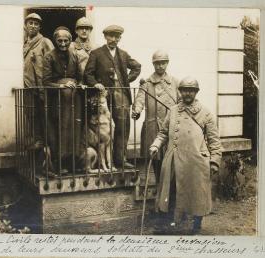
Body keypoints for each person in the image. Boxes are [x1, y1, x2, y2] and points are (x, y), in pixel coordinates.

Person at [149, 76, 222, 234]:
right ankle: (168, 224)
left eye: (191, 90)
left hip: (195, 161)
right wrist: (155, 144)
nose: (187, 94)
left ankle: (195, 225)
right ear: (180, 92)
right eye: (184, 90)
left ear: (196, 92)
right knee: (170, 192)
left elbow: (215, 140)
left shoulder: (205, 113)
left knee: (196, 194)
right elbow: (163, 133)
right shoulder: (173, 110)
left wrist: (215, 161)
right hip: (174, 159)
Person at [84, 25, 141, 169]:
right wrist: (95, 84)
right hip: (103, 95)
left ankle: (120, 159)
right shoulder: (96, 53)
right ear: (105, 37)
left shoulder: (123, 54)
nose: (114, 39)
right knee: (103, 129)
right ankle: (100, 162)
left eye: (117, 36)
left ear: (120, 38)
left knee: (122, 126)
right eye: (111, 36)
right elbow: (87, 74)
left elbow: (137, 67)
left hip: (121, 93)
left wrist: (126, 81)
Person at [132, 50, 179, 184]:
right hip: (153, 128)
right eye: (157, 63)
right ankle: (160, 192)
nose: (160, 66)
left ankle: (169, 195)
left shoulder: (175, 82)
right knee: (157, 162)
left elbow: (181, 103)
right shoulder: (147, 83)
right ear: (153, 64)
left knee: (172, 161)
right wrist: (136, 110)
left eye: (163, 63)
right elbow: (140, 99)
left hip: (171, 128)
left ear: (167, 63)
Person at [42, 26, 83, 173]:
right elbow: (45, 82)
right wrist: (62, 85)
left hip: (74, 99)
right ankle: (60, 165)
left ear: (70, 40)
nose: (63, 44)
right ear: (55, 41)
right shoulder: (49, 56)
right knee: (60, 130)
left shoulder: (75, 56)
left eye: (66, 40)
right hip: (57, 100)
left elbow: (80, 77)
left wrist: (77, 85)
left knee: (75, 130)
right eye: (60, 41)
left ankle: (74, 163)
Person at [23, 13, 54, 149]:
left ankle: (46, 144)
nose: (33, 26)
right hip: (27, 84)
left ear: (40, 27)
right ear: (25, 25)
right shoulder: (24, 43)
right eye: (30, 23)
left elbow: (54, 60)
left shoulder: (45, 41)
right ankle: (35, 141)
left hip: (42, 85)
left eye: (36, 24)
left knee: (45, 116)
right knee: (31, 114)